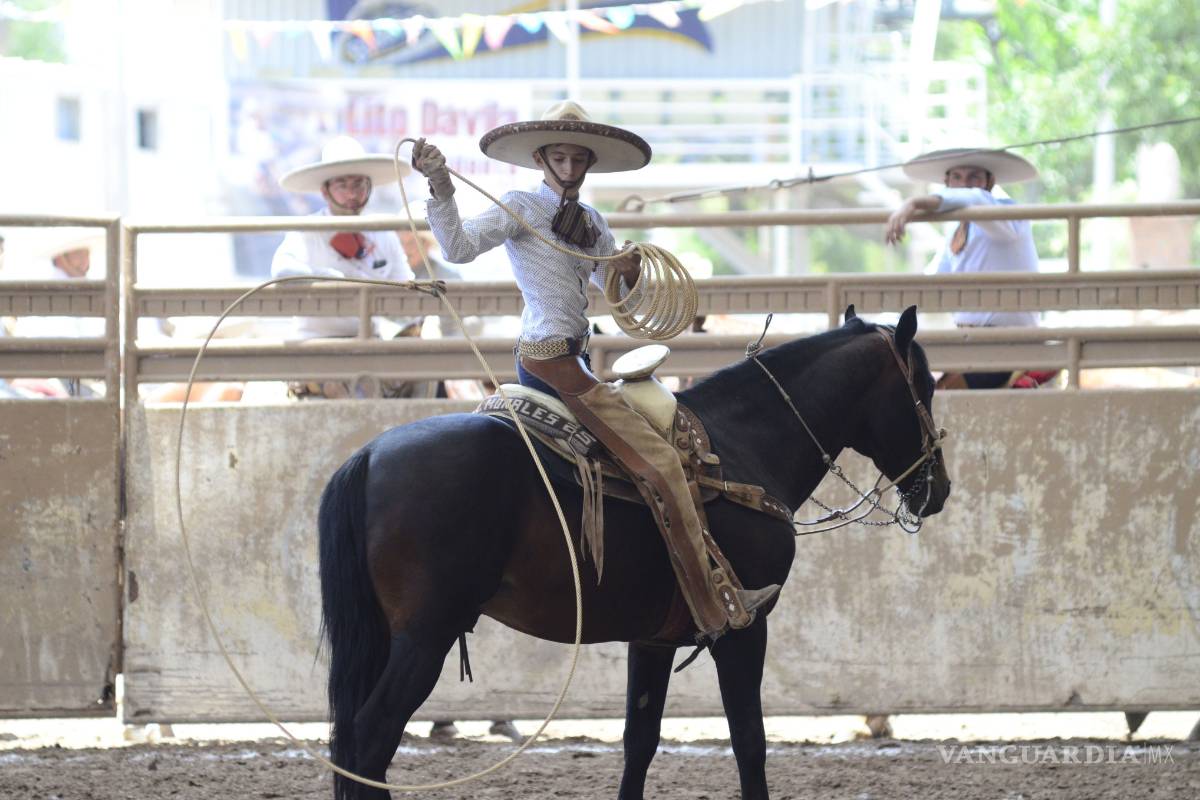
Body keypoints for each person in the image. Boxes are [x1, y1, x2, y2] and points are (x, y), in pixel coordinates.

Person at [411, 100, 780, 644]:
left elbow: (614, 290)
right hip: (548, 358)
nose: (567, 163)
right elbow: (458, 247)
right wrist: (440, 186)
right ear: (542, 158)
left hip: (577, 357)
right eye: (558, 154)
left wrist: (627, 271)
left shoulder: (594, 224)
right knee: (659, 462)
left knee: (661, 436)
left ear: (587, 162)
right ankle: (714, 602)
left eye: (576, 155)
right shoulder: (519, 207)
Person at [884, 147, 1057, 389]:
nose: (966, 185)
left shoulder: (1008, 213)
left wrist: (914, 203)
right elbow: (930, 283)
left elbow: (974, 199)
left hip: (1008, 345)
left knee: (938, 399)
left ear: (990, 183)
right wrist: (886, 323)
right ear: (947, 183)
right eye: (957, 177)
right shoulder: (956, 232)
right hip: (970, 344)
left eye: (974, 177)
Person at [271, 135, 428, 399]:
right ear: (325, 191)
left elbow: (406, 289)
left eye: (358, 184)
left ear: (369, 187)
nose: (352, 194)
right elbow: (282, 273)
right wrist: (332, 280)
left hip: (369, 347)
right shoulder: (306, 232)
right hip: (316, 345)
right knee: (342, 387)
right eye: (342, 185)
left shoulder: (383, 234)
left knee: (423, 367)